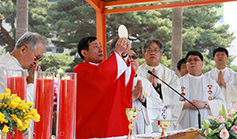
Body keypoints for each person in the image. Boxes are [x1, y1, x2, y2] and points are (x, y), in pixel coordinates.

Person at [73, 36, 136, 138]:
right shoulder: (80, 69)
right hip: (92, 126)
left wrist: (123, 55)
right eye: (95, 46)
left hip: (113, 123)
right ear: (84, 53)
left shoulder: (110, 70)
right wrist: (118, 54)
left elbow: (124, 79)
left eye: (100, 46)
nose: (100, 49)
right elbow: (101, 75)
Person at [173, 51, 226, 129]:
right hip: (183, 126)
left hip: (206, 127)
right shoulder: (178, 83)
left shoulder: (212, 83)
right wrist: (186, 105)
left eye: (196, 59)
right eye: (189, 60)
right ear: (187, 65)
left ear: (202, 63)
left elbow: (222, 103)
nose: (192, 62)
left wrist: (205, 104)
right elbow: (170, 104)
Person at [136, 39, 180, 131]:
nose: (152, 53)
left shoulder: (169, 74)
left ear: (161, 54)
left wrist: (158, 88)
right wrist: (148, 86)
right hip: (143, 114)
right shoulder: (137, 72)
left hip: (163, 115)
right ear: (144, 55)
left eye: (156, 50)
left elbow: (176, 94)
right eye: (149, 50)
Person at [0, 32, 46, 102]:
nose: (36, 63)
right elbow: (19, 105)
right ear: (23, 49)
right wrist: (32, 83)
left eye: (39, 59)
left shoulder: (20, 67)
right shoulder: (4, 68)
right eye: (36, 58)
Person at [127, 49, 164, 134]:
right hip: (125, 126)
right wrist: (132, 97)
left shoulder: (145, 82)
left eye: (134, 57)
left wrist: (144, 99)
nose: (132, 59)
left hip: (144, 127)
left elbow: (158, 103)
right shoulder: (117, 82)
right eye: (128, 57)